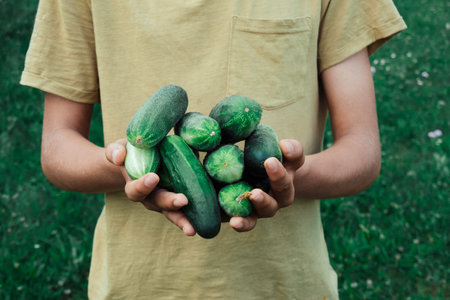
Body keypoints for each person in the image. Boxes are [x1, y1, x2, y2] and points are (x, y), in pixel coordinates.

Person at [21, 0, 406, 298]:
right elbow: (57, 150)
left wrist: (289, 177)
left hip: (282, 287)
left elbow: (363, 152)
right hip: (137, 286)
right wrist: (127, 169)